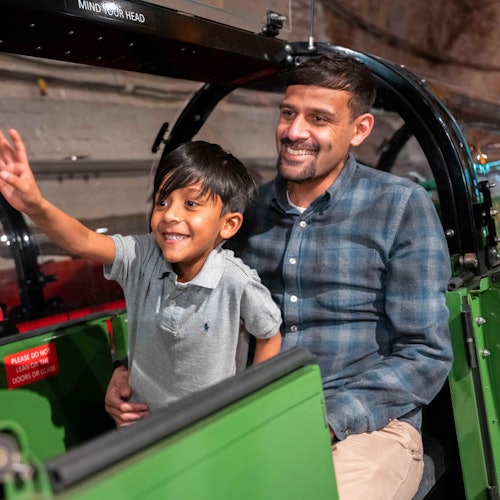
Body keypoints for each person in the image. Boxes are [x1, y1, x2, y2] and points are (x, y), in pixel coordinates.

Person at [103, 53, 453, 499]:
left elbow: (425, 354)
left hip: (366, 427)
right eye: (288, 113)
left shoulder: (401, 207)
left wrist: (327, 420)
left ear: (359, 130)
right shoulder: (241, 214)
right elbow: (160, 283)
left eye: (318, 118)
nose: (294, 131)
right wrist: (123, 367)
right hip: (251, 416)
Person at [0, 133, 282, 422]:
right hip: (140, 427)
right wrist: (34, 205)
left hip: (209, 431)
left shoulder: (236, 282)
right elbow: (81, 240)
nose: (169, 214)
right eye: (162, 202)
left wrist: (252, 404)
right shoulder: (142, 255)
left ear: (229, 224)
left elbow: (270, 336)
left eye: (191, 204)